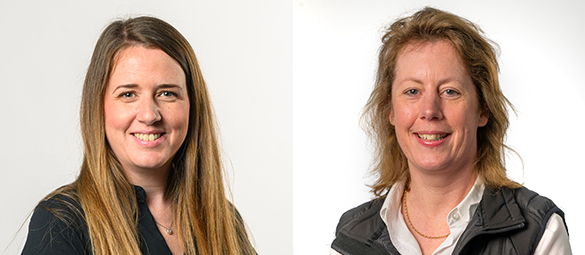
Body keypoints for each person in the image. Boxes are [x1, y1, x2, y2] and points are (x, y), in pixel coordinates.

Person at [330, 7, 571, 255]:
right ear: (390, 110)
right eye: (412, 91)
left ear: (483, 110)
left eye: (450, 91)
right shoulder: (352, 237)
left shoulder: (538, 232)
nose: (429, 110)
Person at [21, 16, 255, 255]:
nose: (149, 115)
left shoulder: (224, 221)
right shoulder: (63, 223)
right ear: (98, 107)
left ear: (192, 106)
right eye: (128, 94)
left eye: (167, 93)